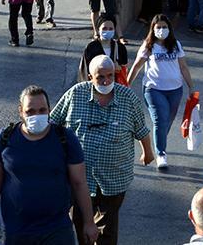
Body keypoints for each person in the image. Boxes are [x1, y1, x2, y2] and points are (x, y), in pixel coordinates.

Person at [51, 55, 154, 245]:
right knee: (81, 225)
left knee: (107, 229)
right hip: (78, 177)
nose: (106, 81)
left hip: (114, 177)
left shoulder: (128, 98)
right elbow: (52, 123)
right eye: (100, 77)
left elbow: (141, 129)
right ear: (90, 77)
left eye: (110, 76)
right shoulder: (75, 94)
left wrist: (148, 153)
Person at [0, 85, 99, 245]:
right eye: (30, 111)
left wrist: (89, 222)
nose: (37, 115)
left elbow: (80, 183)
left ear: (49, 110)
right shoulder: (3, 139)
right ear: (21, 111)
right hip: (15, 231)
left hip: (57, 230)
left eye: (42, 110)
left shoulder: (66, 139)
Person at [128, 14, 195, 169]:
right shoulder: (148, 46)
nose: (161, 30)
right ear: (153, 29)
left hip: (175, 90)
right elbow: (137, 66)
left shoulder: (176, 45)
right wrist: (127, 85)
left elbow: (183, 67)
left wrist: (191, 86)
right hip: (153, 89)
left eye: (164, 27)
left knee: (167, 121)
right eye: (158, 27)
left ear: (169, 29)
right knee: (160, 120)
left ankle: (160, 141)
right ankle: (161, 154)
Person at [78, 13, 128, 83]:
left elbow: (124, 69)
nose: (108, 31)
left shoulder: (120, 48)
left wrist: (118, 67)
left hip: (115, 87)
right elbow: (85, 71)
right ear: (98, 29)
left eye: (111, 29)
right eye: (104, 28)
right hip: (96, 85)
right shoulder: (91, 48)